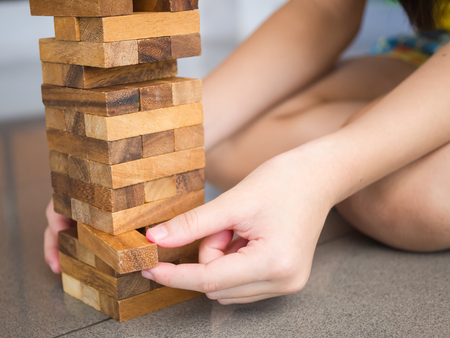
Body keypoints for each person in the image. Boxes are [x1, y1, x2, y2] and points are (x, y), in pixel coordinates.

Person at [45, 0, 450, 305]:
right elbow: (327, 8)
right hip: (431, 51)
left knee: (401, 200)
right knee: (219, 148)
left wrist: (316, 177)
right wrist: (139, 153)